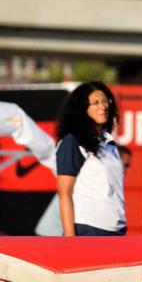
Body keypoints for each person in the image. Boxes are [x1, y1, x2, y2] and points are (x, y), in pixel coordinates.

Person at [55, 81, 127, 237]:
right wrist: (70, 238)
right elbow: (64, 193)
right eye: (95, 103)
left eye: (105, 101)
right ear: (82, 109)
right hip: (89, 228)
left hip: (116, 229)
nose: (103, 107)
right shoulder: (72, 142)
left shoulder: (109, 143)